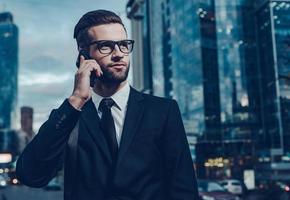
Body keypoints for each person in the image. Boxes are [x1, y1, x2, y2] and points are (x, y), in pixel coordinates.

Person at [16, 9, 198, 200]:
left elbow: (184, 190)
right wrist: (76, 99)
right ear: (83, 55)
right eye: (106, 46)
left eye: (123, 45)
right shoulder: (70, 116)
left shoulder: (163, 111)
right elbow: (30, 175)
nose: (119, 54)